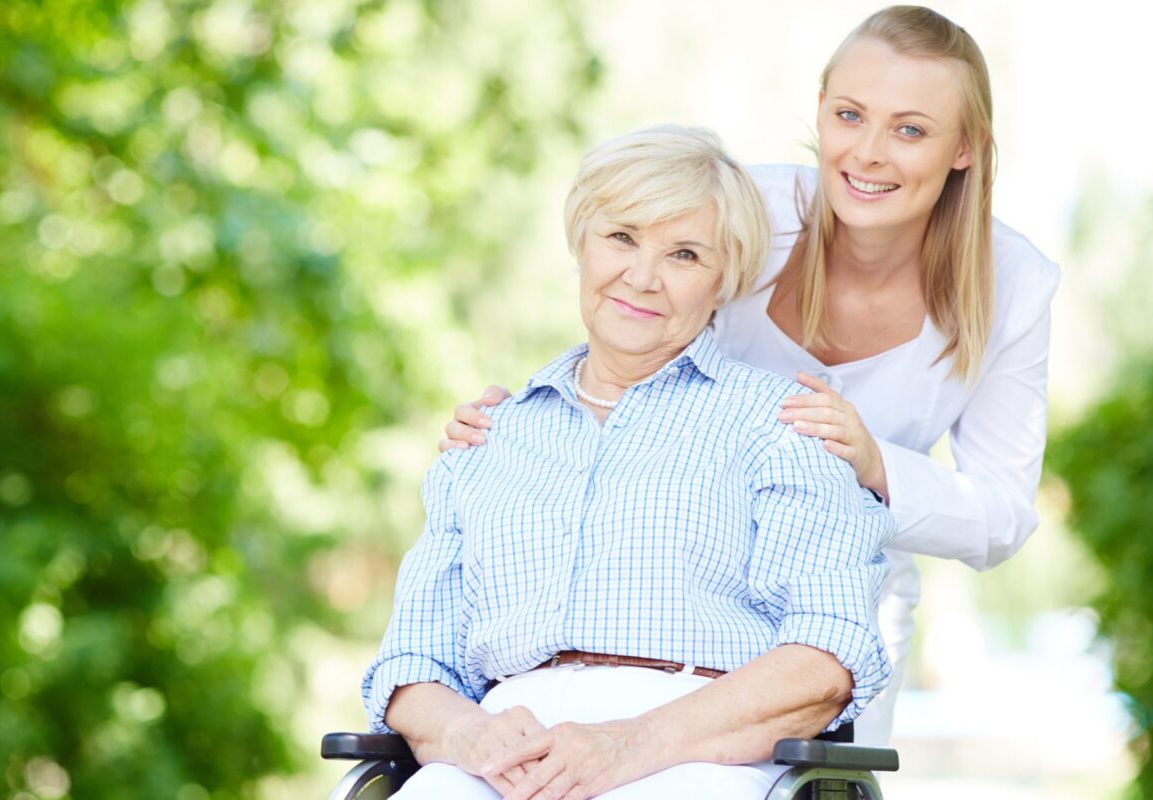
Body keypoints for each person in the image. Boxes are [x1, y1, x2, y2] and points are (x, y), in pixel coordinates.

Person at [439, 5, 1060, 745]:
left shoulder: (1013, 284)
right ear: (821, 111)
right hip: (673, 584)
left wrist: (871, 463)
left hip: (837, 602)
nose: (867, 153)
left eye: (911, 130)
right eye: (849, 114)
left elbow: (999, 514)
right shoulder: (750, 210)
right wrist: (527, 425)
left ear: (966, 147)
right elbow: (632, 315)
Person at [362, 125, 894, 799]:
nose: (642, 277)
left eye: (684, 254)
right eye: (621, 237)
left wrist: (627, 744)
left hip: (695, 750)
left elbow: (826, 657)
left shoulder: (781, 424)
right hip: (501, 751)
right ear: (581, 241)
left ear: (723, 280)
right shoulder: (488, 441)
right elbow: (411, 663)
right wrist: (471, 736)